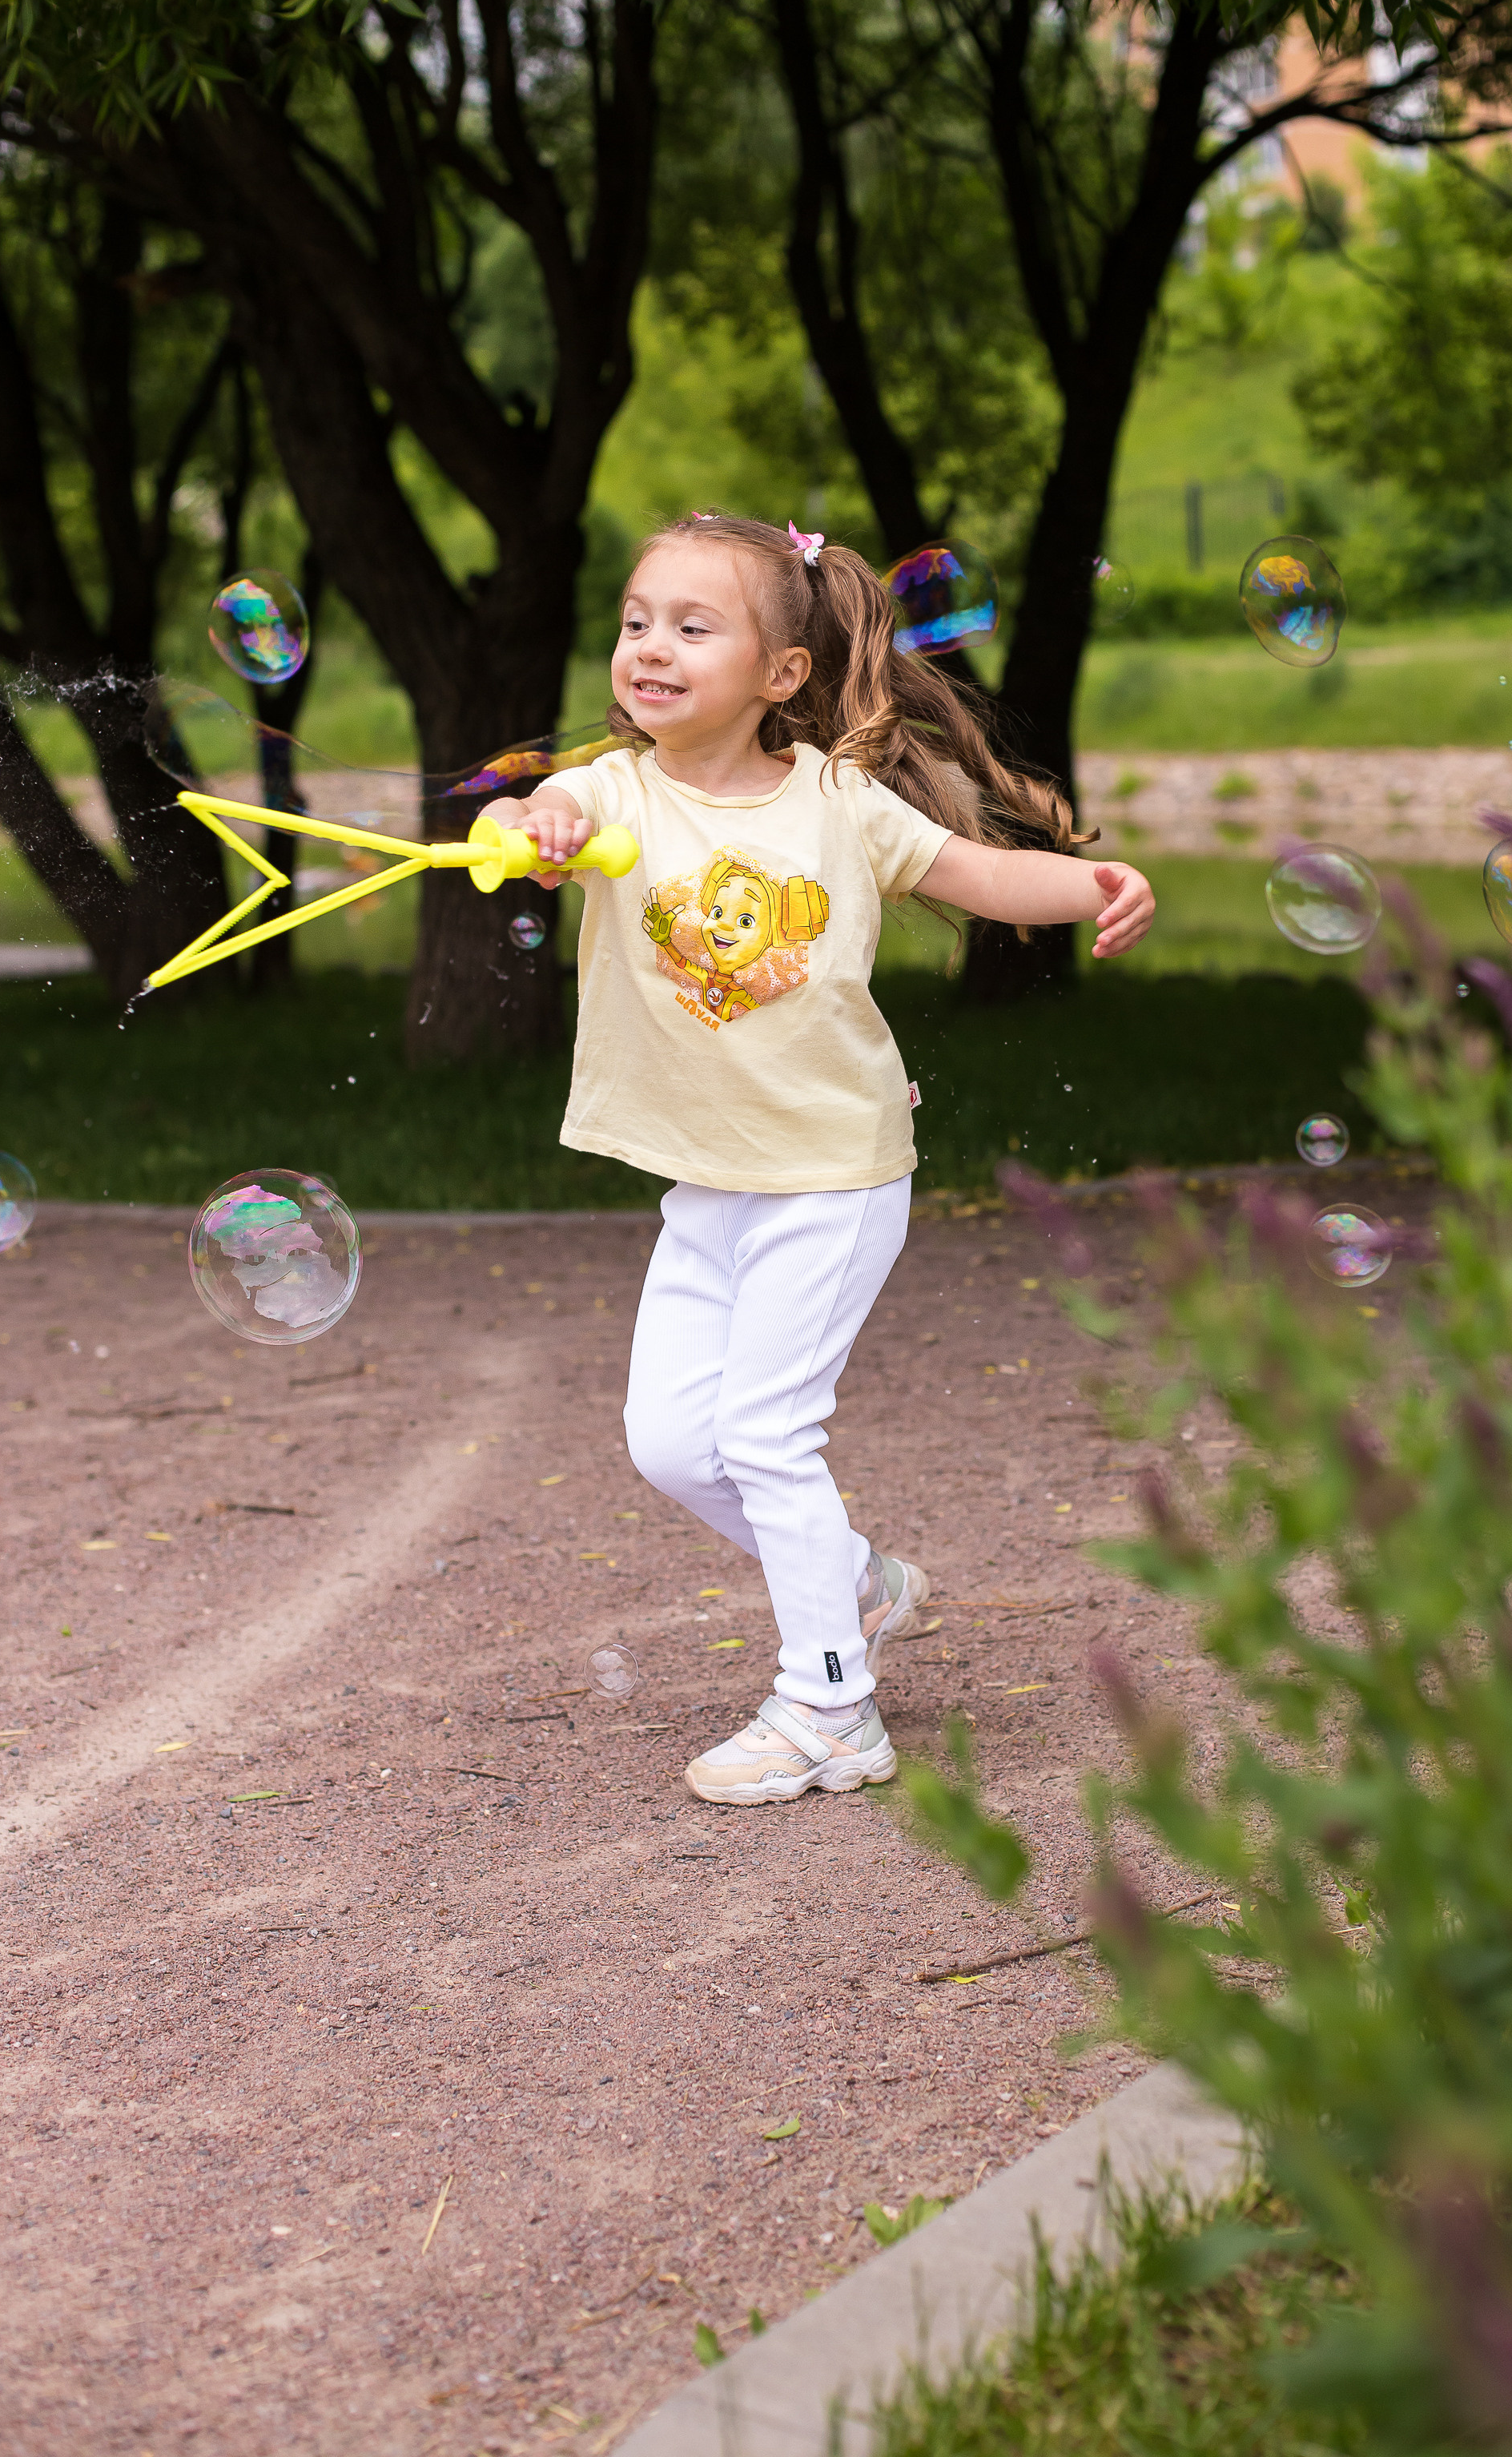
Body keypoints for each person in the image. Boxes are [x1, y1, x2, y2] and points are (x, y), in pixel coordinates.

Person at [484, 511, 1154, 1806]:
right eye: (635, 622)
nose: (651, 649)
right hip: (713, 1185)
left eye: (693, 627)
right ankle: (855, 1578)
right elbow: (542, 811)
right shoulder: (612, 792)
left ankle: (831, 1705)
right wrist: (531, 823)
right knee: (672, 1446)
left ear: (782, 673)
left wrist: (1093, 885)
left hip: (837, 1175)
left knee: (765, 1434)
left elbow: (975, 875)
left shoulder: (838, 803)